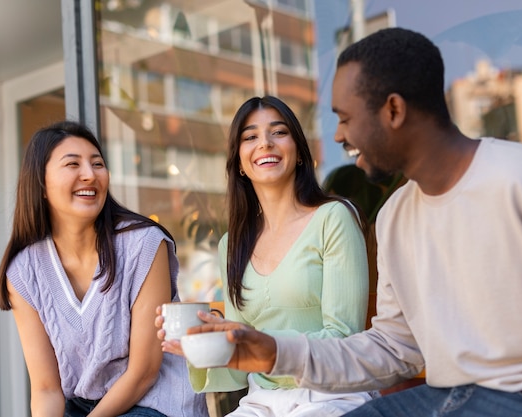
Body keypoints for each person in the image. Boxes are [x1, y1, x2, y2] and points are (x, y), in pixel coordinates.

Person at [182, 28, 522, 417]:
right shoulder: (395, 217)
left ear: (393, 110)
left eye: (345, 118)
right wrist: (276, 353)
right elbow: (393, 347)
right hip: (446, 397)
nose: (337, 137)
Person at [156, 96, 373, 416]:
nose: (265, 143)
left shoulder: (333, 218)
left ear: (299, 152)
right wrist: (204, 346)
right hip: (261, 402)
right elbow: (240, 366)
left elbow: (343, 337)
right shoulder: (231, 246)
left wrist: (251, 340)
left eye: (279, 132)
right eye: (250, 137)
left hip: (330, 395)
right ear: (239, 163)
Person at [0, 121, 209, 417]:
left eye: (98, 164)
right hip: (81, 406)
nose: (90, 174)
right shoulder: (24, 272)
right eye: (73, 164)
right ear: (41, 185)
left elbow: (144, 371)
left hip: (155, 401)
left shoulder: (144, 244)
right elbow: (46, 389)